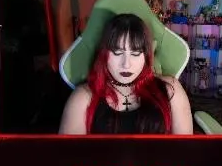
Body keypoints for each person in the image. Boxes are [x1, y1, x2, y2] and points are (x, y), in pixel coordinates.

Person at [58, 13, 194, 135]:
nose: (126, 64)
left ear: (146, 56)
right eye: (117, 53)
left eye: (135, 53)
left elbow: (185, 149)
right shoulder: (83, 98)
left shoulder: (171, 90)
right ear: (104, 54)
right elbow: (69, 153)